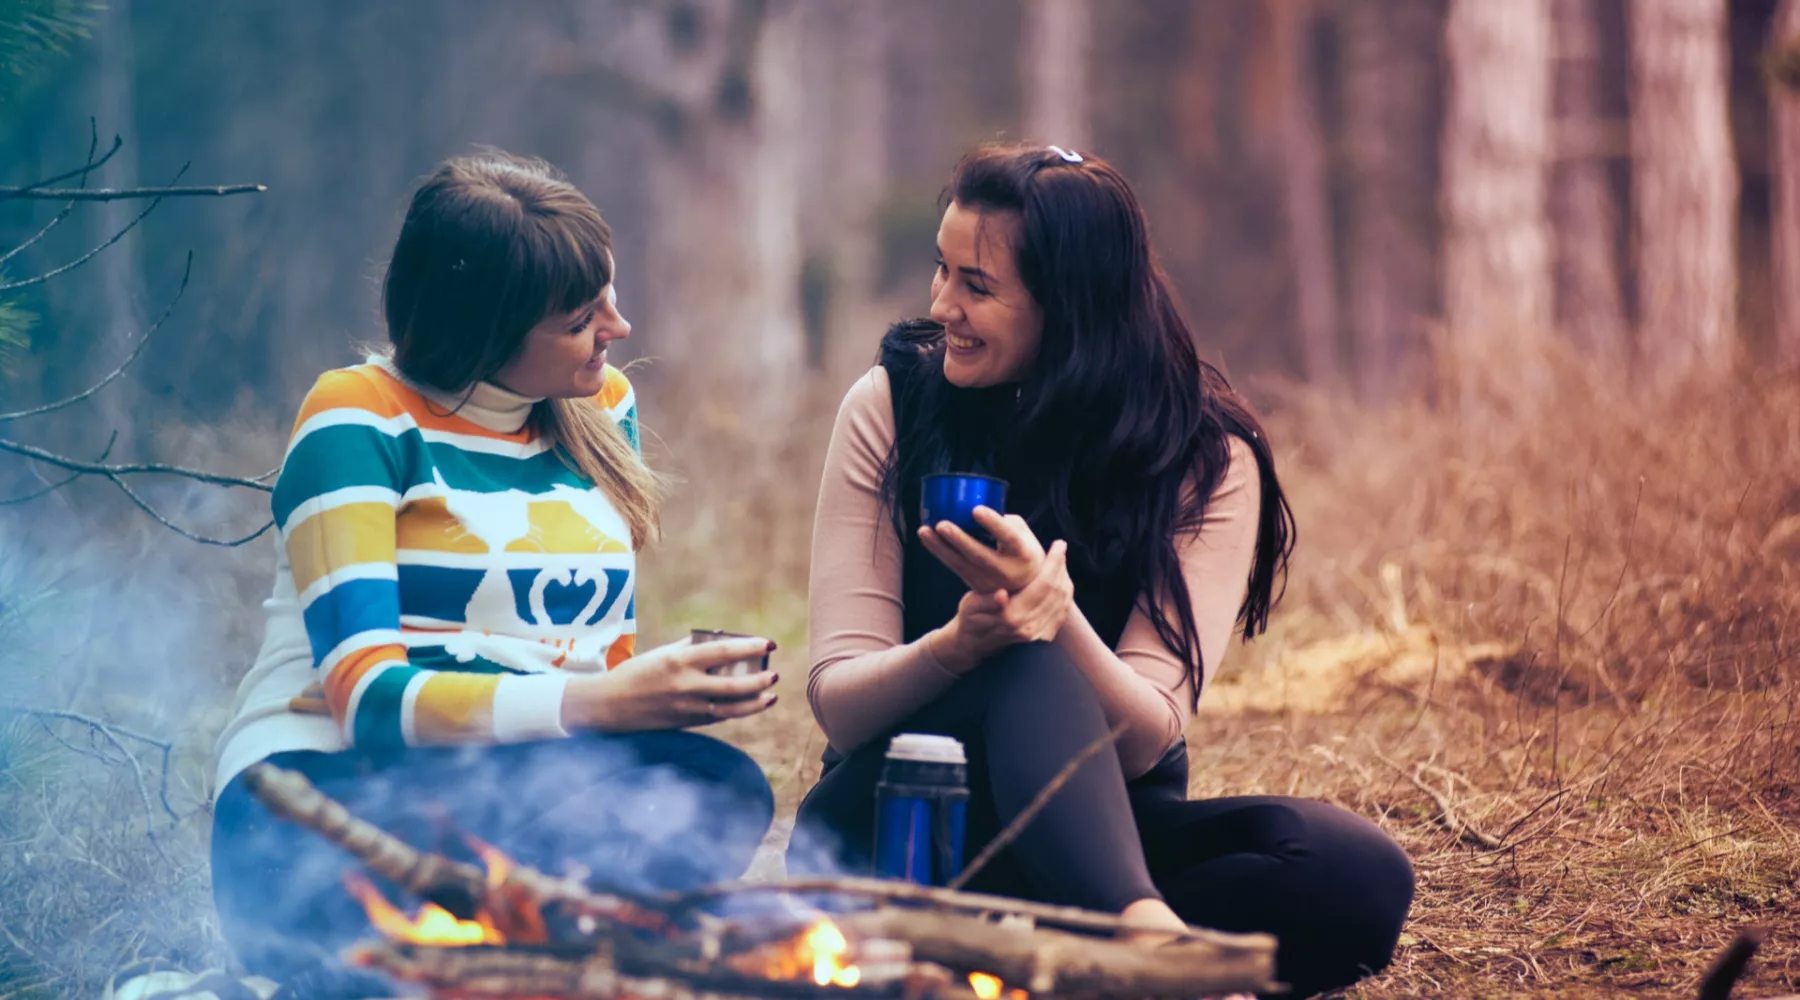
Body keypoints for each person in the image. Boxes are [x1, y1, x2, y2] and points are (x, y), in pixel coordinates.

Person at [787, 144, 1413, 998]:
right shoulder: (892, 407)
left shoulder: (1206, 457)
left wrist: (1058, 616)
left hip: (1099, 831)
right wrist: (962, 645)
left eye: (977, 286)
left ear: (1070, 305)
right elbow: (842, 703)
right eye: (943, 271)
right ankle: (1142, 947)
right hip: (898, 827)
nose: (943, 305)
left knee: (1355, 873)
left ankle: (1067, 950)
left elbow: (1151, 731)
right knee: (1018, 662)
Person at [209, 151, 780, 993]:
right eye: (584, 316)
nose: (617, 328)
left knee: (714, 784)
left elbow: (595, 654)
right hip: (321, 802)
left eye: (610, 297)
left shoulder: (600, 406)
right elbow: (367, 702)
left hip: (509, 788)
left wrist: (652, 698)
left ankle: (510, 958)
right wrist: (607, 704)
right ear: (485, 330)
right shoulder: (358, 417)